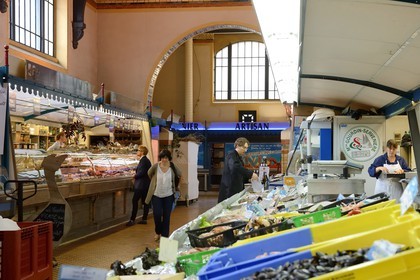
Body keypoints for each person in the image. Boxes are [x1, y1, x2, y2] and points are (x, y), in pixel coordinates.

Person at [145, 149, 181, 241]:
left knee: (166, 216)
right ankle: (158, 232)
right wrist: (154, 182)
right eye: (162, 158)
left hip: (169, 195)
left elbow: (179, 174)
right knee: (157, 214)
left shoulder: (172, 166)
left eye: (166, 158)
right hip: (156, 195)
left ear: (169, 158)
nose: (164, 160)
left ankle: (164, 235)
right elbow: (149, 173)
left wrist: (176, 185)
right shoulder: (156, 166)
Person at [218, 137, 259, 203]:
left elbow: (238, 173)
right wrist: (250, 174)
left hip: (235, 190)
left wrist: (247, 179)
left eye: (247, 148)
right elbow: (235, 167)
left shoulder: (238, 157)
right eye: (244, 147)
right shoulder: (232, 155)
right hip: (229, 191)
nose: (245, 150)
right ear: (237, 146)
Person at [126, 145, 152, 226]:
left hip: (141, 185)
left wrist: (134, 176)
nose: (137, 152)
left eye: (138, 150)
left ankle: (132, 219)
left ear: (142, 152)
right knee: (145, 202)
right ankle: (144, 219)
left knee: (135, 201)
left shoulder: (144, 161)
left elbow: (142, 172)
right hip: (145, 184)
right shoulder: (146, 160)